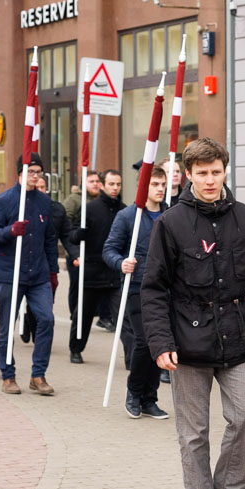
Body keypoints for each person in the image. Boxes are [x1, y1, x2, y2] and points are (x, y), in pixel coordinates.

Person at [141, 138, 245, 489]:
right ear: (187, 175)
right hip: (187, 342)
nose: (209, 179)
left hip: (237, 337)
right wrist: (160, 341)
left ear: (225, 171)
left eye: (215, 172)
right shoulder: (171, 223)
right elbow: (153, 289)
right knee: (194, 432)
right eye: (201, 173)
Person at [0, 153, 57, 395]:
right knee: (7, 324)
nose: (36, 176)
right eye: (31, 171)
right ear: (20, 173)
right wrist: (10, 231)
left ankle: (38, 375)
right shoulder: (4, 201)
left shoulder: (45, 203)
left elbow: (50, 240)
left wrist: (53, 272)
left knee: (46, 319)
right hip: (9, 272)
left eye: (39, 172)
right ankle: (8, 375)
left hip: (38, 274)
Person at [103, 165, 169, 420]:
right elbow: (109, 249)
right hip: (136, 288)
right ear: (143, 186)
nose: (160, 189)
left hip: (164, 288)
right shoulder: (127, 216)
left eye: (162, 185)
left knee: (159, 344)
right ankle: (134, 392)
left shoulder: (169, 215)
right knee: (144, 341)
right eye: (154, 184)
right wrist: (121, 262)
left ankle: (149, 399)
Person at [67, 168, 123, 363]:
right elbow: (72, 236)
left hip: (115, 273)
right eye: (111, 184)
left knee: (124, 318)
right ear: (102, 185)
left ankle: (131, 357)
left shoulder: (124, 210)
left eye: (118, 184)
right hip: (92, 272)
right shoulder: (89, 209)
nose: (115, 188)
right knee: (83, 315)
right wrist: (80, 232)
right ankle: (76, 348)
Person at [21, 174, 75, 344]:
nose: (40, 190)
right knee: (32, 302)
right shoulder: (22, 206)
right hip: (26, 263)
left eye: (42, 187)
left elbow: (67, 234)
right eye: (36, 187)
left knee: (45, 303)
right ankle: (36, 334)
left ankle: (37, 332)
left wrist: (75, 253)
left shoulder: (56, 209)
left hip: (48, 265)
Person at [63, 170, 101, 320]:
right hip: (76, 251)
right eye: (91, 181)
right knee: (77, 285)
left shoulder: (100, 201)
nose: (95, 184)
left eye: (97, 181)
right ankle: (75, 314)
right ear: (83, 183)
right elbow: (65, 222)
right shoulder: (74, 199)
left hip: (94, 252)